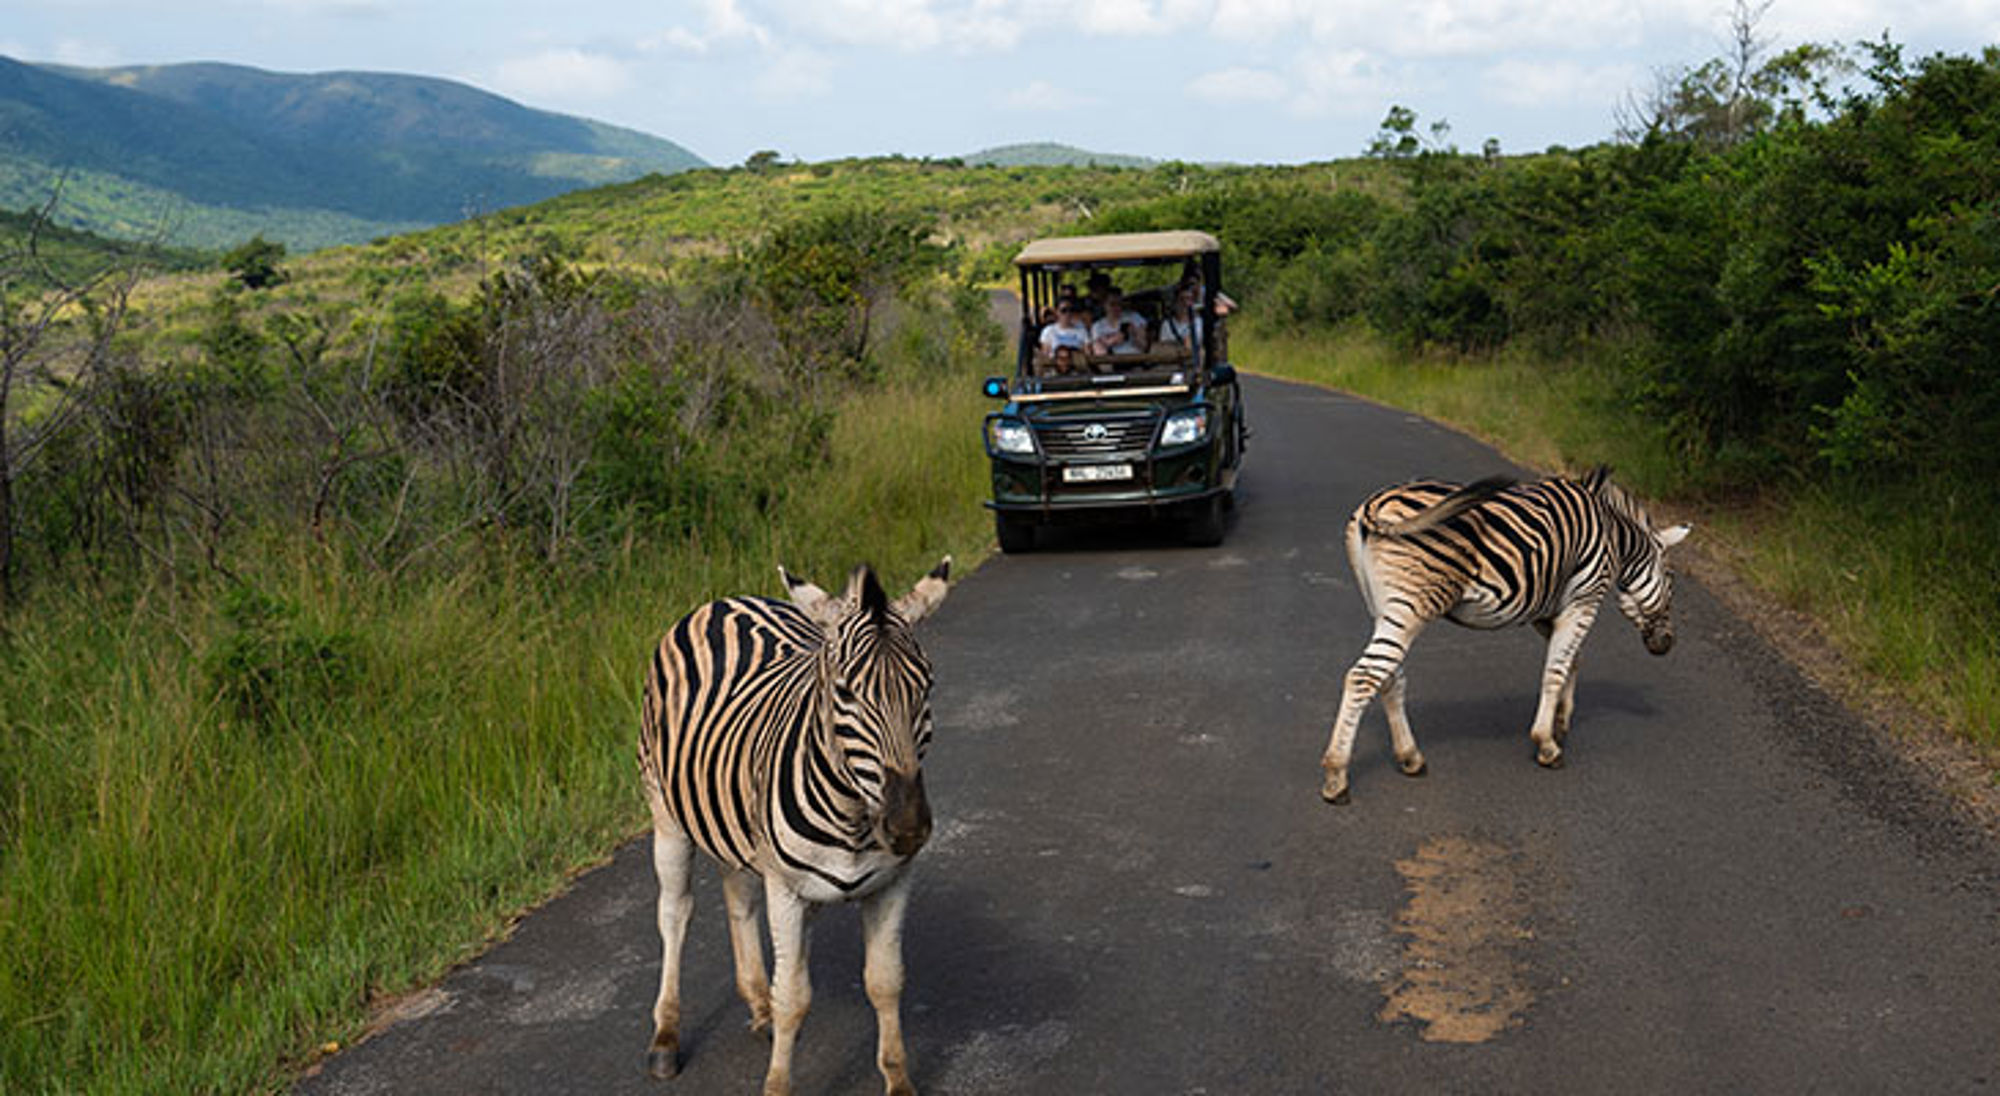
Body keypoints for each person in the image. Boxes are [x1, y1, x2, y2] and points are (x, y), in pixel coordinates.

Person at [1090, 288, 1148, 356]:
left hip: (1135, 357)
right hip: (1113, 360)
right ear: (1104, 305)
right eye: (1112, 304)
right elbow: (1099, 353)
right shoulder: (1097, 326)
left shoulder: (1133, 317)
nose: (1117, 308)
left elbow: (1144, 346)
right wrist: (1112, 341)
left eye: (1119, 304)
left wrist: (1135, 334)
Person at [1158, 280, 1202, 351]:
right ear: (1176, 302)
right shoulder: (1167, 325)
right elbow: (1163, 348)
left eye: (1189, 299)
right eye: (1182, 299)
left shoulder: (1199, 324)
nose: (1185, 303)